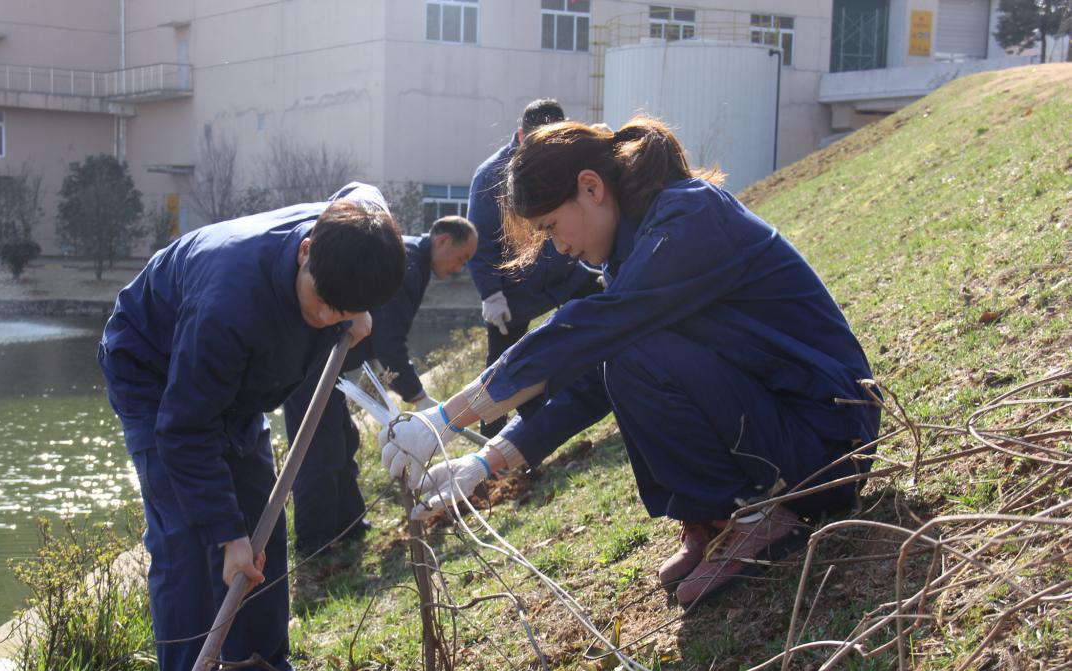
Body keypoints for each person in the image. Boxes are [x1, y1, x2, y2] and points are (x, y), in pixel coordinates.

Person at [380, 118, 880, 609]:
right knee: (624, 358)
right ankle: (718, 514)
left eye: (552, 226)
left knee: (631, 353)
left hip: (830, 441)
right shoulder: (635, 249)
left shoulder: (688, 217)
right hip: (792, 427)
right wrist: (485, 460)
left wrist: (446, 417)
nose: (558, 247)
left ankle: (758, 515)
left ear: (591, 187)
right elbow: (592, 381)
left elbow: (595, 330)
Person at [99, 183, 405, 671]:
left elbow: (363, 192)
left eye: (341, 312)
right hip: (156, 372)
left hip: (238, 383)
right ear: (304, 250)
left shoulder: (351, 242)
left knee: (264, 525)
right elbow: (185, 429)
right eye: (321, 305)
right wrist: (225, 534)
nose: (327, 319)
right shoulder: (228, 302)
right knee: (190, 540)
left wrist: (353, 313)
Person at [281, 216, 478, 579]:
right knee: (318, 452)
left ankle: (351, 526)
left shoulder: (414, 263)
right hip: (310, 363)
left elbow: (383, 338)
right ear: (444, 241)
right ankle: (316, 547)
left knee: (344, 440)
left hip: (332, 364)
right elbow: (390, 343)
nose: (459, 269)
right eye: (462, 258)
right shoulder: (406, 265)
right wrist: (417, 397)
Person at [468, 98, 605, 436]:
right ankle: (492, 440)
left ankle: (608, 383)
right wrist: (492, 294)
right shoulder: (491, 177)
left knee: (607, 300)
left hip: (566, 271)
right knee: (502, 364)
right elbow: (480, 242)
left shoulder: (568, 158)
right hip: (515, 288)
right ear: (520, 134)